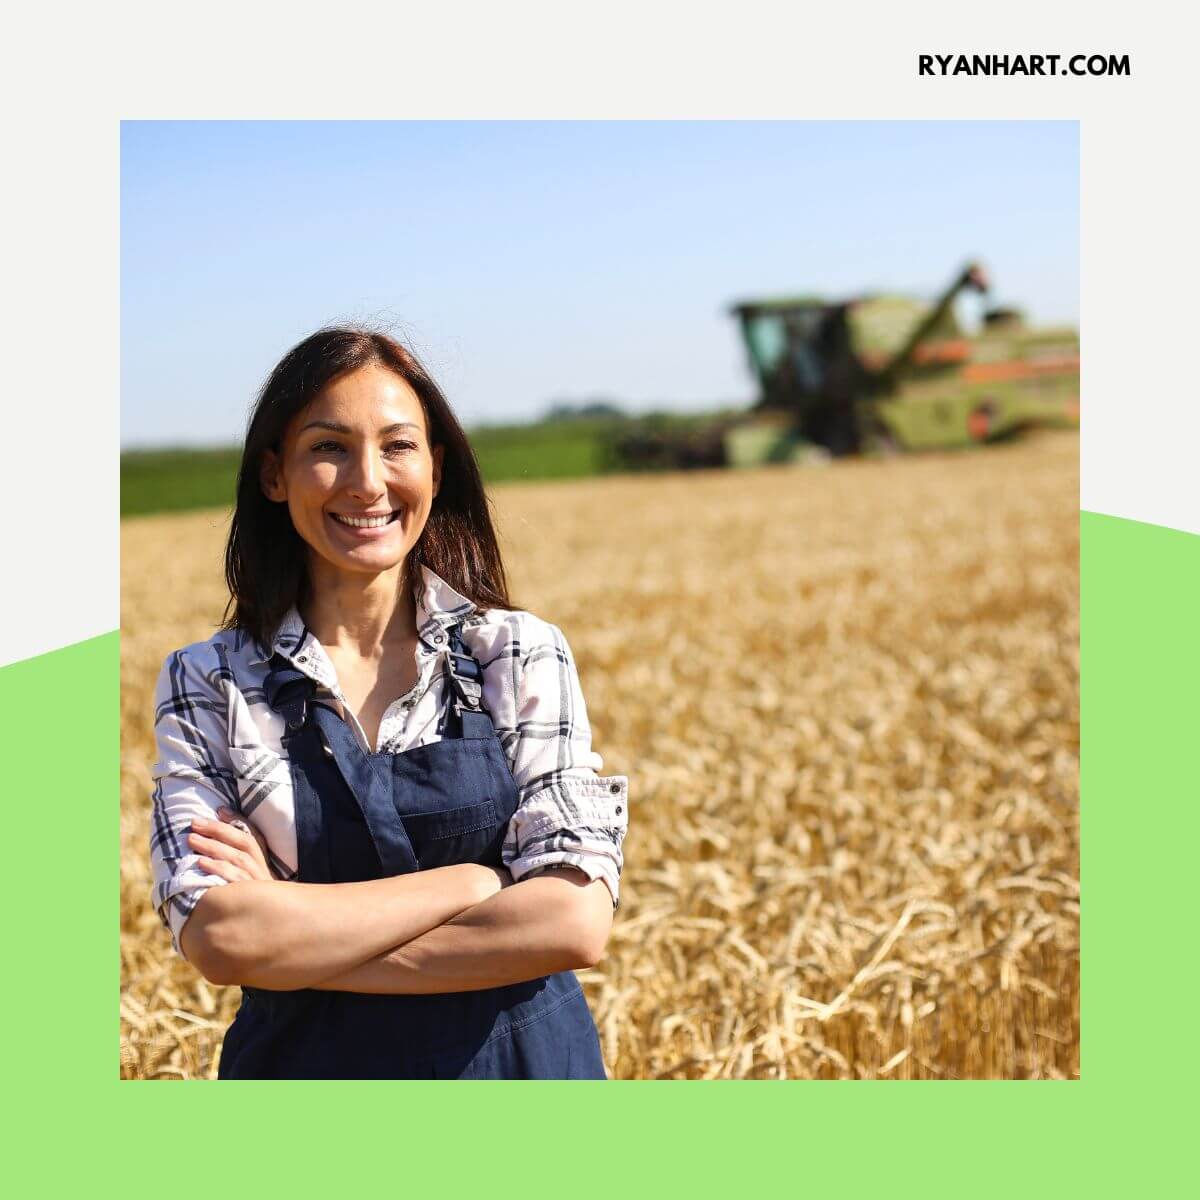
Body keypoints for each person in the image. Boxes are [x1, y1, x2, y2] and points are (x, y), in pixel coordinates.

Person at [148, 327, 629, 1079]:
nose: (367, 482)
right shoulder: (209, 681)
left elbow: (572, 920)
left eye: (398, 446)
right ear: (275, 475)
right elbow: (224, 939)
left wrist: (296, 934)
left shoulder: (516, 653)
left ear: (435, 468)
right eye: (328, 447)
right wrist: (480, 883)